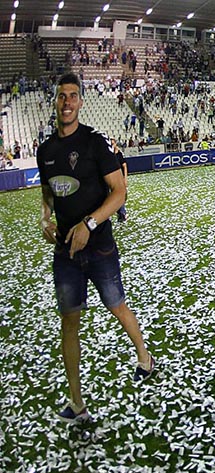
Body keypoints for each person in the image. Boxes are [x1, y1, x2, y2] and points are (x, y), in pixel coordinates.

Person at [36, 73, 155, 424]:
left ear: (81, 102)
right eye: (61, 96)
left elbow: (119, 192)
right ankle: (77, 403)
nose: (67, 102)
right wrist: (46, 218)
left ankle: (145, 358)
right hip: (66, 253)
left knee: (117, 306)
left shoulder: (94, 142)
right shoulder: (45, 150)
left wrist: (89, 224)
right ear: (55, 102)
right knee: (68, 321)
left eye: (73, 96)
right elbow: (47, 191)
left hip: (100, 246)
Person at [111, 138, 128, 222]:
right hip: (112, 178)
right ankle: (120, 213)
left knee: (120, 195)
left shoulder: (119, 154)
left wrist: (125, 178)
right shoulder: (109, 155)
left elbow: (124, 166)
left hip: (120, 177)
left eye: (113, 144)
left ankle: (122, 213)